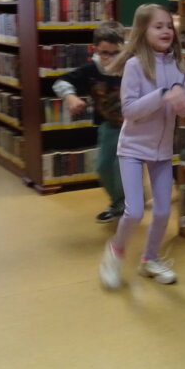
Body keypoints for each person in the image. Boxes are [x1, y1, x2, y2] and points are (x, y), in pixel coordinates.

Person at [98, 4, 185, 289]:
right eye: (158, 26)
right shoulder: (135, 65)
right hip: (133, 149)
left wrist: (182, 101)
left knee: (163, 212)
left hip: (162, 151)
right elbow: (129, 110)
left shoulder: (178, 65)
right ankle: (115, 251)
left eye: (169, 26)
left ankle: (149, 259)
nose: (166, 31)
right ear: (142, 31)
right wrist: (162, 95)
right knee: (135, 211)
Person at [53, 21, 126, 223]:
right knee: (103, 167)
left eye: (116, 53)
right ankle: (119, 201)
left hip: (135, 127)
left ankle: (123, 204)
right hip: (110, 125)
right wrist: (70, 97)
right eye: (104, 53)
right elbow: (61, 82)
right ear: (95, 50)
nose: (110, 58)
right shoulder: (91, 70)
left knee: (122, 167)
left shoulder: (132, 66)